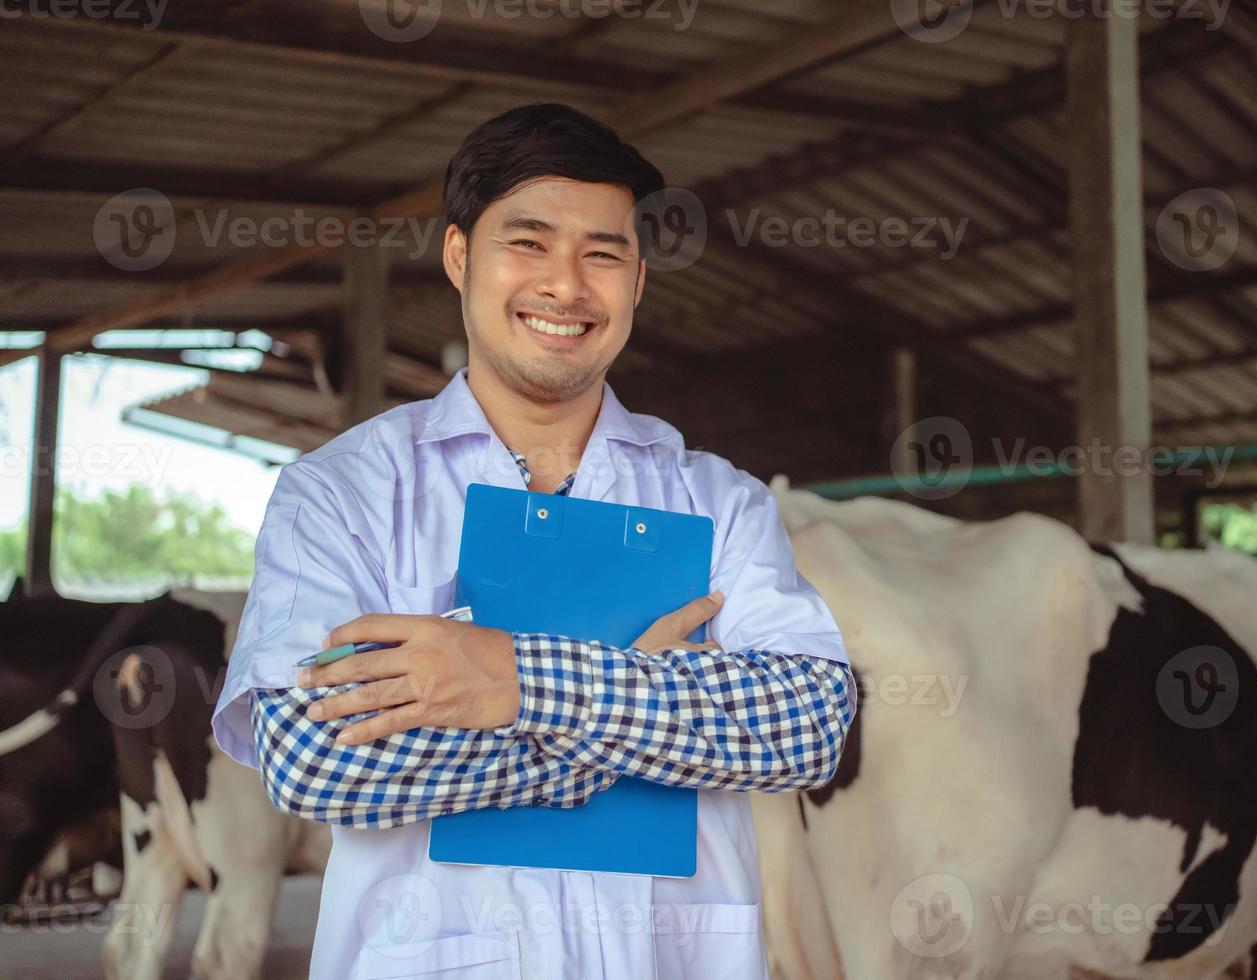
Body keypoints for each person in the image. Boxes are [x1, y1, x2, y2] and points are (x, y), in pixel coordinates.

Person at [211, 102, 854, 980]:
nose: (566, 285)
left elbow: (808, 723)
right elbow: (316, 761)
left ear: (637, 283)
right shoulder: (344, 493)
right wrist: (630, 722)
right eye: (529, 242)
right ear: (459, 256)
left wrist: (510, 681)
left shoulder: (719, 501)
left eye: (603, 254)